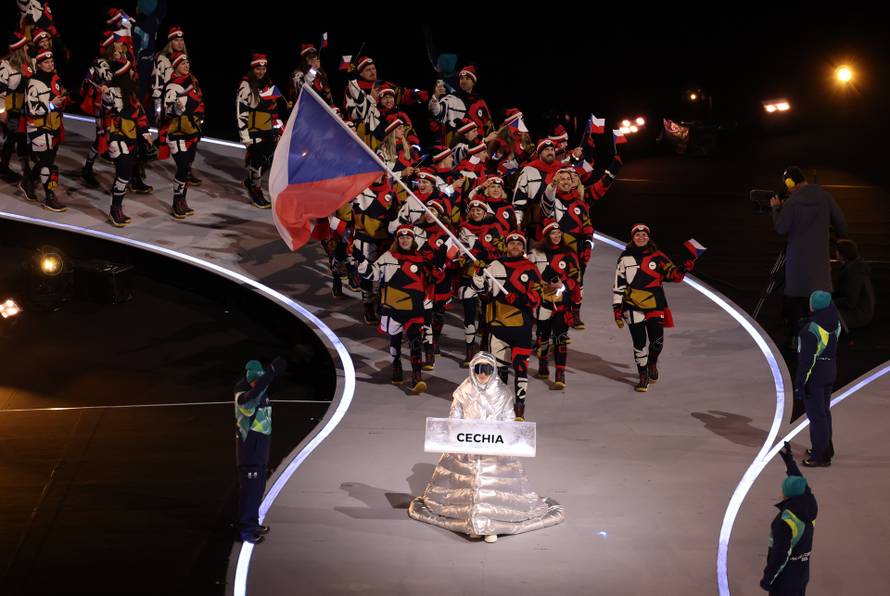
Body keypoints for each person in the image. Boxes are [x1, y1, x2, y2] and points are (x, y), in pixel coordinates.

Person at [408, 351, 565, 543]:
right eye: (478, 369)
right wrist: (459, 433)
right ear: (473, 370)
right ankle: (472, 522)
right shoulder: (463, 391)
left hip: (493, 448)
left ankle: (491, 526)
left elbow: (508, 419)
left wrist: (499, 435)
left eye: (487, 370)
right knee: (466, 484)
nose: (482, 374)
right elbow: (454, 417)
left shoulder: (502, 392)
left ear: (494, 371)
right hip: (467, 446)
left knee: (492, 487)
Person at [770, 166, 848, 346]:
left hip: (797, 267)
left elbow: (781, 228)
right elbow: (842, 226)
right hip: (820, 267)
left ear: (790, 183)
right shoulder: (825, 197)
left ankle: (795, 340)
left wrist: (776, 209)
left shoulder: (792, 202)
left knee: (796, 302)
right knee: (821, 303)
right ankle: (827, 338)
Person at [355, 225, 436, 393]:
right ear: (397, 240)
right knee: (395, 343)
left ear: (413, 240)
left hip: (414, 310)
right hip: (392, 308)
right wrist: (361, 260)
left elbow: (430, 282)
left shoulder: (422, 260)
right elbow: (372, 274)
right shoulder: (387, 257)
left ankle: (416, 376)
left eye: (408, 237)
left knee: (415, 341)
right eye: (401, 237)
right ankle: (396, 365)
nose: (405, 240)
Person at [612, 224, 692, 392]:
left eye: (644, 235)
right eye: (637, 235)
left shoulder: (658, 256)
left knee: (657, 343)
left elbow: (673, 275)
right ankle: (643, 376)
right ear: (632, 238)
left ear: (648, 237)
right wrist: (616, 308)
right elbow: (618, 284)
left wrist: (683, 268)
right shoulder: (624, 258)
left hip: (655, 304)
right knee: (639, 343)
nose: (641, 238)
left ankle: (652, 363)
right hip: (631, 306)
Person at [473, 231, 543, 420]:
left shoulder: (530, 269)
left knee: (521, 368)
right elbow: (483, 292)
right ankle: (501, 404)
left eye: (518, 244)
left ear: (523, 247)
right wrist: (479, 274)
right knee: (500, 369)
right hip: (498, 326)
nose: (515, 246)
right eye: (511, 243)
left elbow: (537, 297)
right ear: (506, 246)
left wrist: (519, 299)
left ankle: (520, 406)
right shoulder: (495, 266)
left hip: (521, 327)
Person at [234, 356, 287, 544]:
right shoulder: (243, 395)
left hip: (260, 450)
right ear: (250, 380)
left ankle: (253, 523)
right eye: (256, 380)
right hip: (250, 452)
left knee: (257, 490)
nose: (259, 383)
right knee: (250, 492)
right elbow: (252, 396)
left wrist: (269, 375)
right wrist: (270, 373)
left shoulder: (259, 388)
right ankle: (246, 531)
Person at [530, 221, 582, 389]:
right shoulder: (535, 254)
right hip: (541, 303)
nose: (557, 236)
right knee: (542, 338)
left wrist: (563, 285)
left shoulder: (569, 254)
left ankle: (560, 373)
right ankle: (543, 363)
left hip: (562, 303)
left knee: (560, 338)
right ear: (546, 236)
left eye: (559, 233)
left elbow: (576, 278)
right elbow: (527, 274)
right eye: (553, 234)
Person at [760, 442, 817, 595]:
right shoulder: (809, 506)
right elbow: (802, 484)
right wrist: (789, 461)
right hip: (802, 573)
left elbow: (781, 554)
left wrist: (768, 578)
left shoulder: (785, 521)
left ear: (785, 494)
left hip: (784, 579)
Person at [101, 58, 152, 226]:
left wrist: (145, 133)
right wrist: (105, 94)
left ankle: (117, 206)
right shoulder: (112, 92)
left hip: (130, 137)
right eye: (130, 71)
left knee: (125, 174)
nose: (133, 73)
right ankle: (115, 208)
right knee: (123, 173)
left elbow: (140, 116)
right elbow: (107, 107)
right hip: (116, 137)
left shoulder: (132, 94)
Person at [795, 290, 840, 467]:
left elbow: (807, 361)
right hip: (831, 369)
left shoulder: (810, 330)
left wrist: (800, 384)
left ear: (812, 305)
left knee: (817, 416)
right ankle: (826, 447)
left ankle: (821, 456)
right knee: (824, 411)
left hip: (816, 374)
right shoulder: (835, 321)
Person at [21, 49, 69, 211]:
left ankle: (27, 182)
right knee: (48, 164)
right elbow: (31, 109)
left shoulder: (56, 79)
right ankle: (49, 198)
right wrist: (51, 104)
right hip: (38, 127)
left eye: (52, 62)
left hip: (53, 125)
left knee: (45, 161)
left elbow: (57, 100)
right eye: (46, 63)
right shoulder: (33, 83)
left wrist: (63, 99)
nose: (50, 65)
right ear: (39, 65)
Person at [236, 53, 284, 208]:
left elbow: (273, 108)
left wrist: (278, 129)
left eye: (263, 68)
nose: (261, 71)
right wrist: (245, 136)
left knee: (268, 160)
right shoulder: (245, 84)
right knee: (257, 161)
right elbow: (241, 111)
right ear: (252, 68)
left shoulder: (268, 82)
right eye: (258, 68)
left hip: (267, 129)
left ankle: (251, 181)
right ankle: (255, 190)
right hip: (253, 130)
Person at [159, 51, 203, 219]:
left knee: (187, 168)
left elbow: (200, 103)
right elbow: (168, 111)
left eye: (188, 63)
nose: (187, 66)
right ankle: (177, 201)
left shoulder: (193, 81)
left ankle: (183, 200)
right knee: (183, 167)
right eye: (183, 64)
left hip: (190, 131)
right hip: (175, 132)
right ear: (175, 66)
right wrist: (177, 108)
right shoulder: (171, 86)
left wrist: (199, 124)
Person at [0, 32, 31, 182]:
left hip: (23, 110)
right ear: (19, 48)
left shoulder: (28, 64)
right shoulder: (5, 66)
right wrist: (2, 111)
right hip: (11, 109)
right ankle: (5, 166)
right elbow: (0, 92)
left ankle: (25, 169)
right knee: (14, 138)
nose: (27, 48)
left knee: (20, 138)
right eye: (25, 46)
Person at [833, 239, 874, 330]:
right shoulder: (853, 268)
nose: (835, 253)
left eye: (837, 251)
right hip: (859, 311)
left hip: (859, 313)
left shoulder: (854, 272)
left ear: (842, 253)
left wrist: (830, 302)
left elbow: (850, 301)